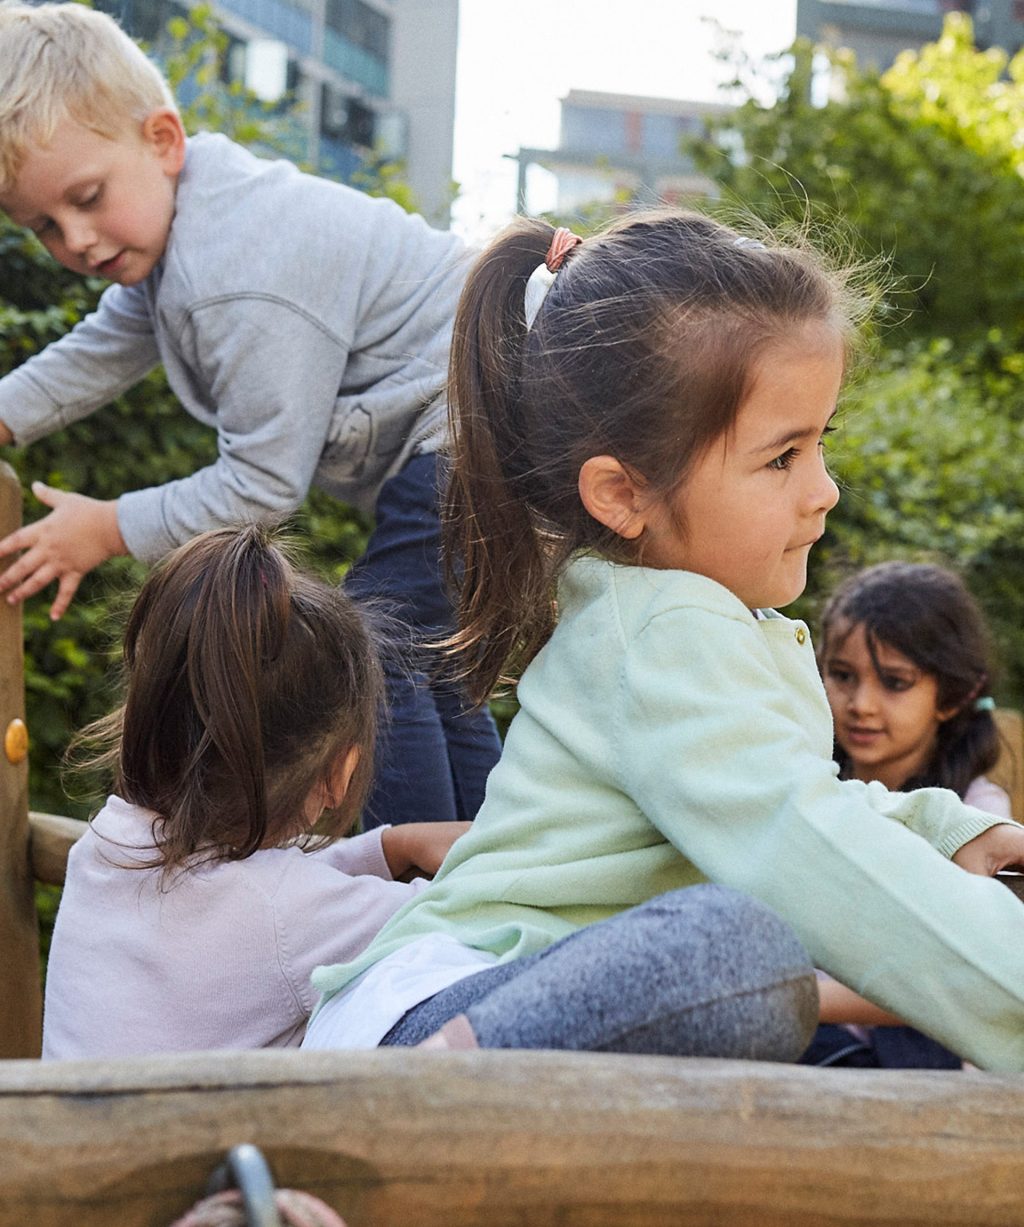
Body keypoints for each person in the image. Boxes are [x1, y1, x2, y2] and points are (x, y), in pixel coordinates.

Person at [299, 213, 1024, 1070]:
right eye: (782, 456)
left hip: (509, 1015)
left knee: (753, 977)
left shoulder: (685, 622)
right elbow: (809, 843)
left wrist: (942, 831)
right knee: (734, 952)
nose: (824, 491)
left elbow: (799, 799)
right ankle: (409, 1101)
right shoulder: (660, 636)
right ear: (621, 493)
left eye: (819, 442)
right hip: (436, 1018)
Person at [0, 1, 500, 828]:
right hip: (491, 418)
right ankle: (484, 873)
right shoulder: (183, 227)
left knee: (375, 650)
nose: (78, 241)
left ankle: (407, 902)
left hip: (482, 417)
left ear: (162, 140)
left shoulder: (235, 267)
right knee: (428, 663)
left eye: (87, 198)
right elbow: (99, 349)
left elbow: (263, 483)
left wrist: (109, 526)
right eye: (44, 226)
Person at [42, 525, 469, 1059]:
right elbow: (466, 913)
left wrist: (387, 847)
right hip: (180, 1146)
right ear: (340, 773)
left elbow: (255, 888)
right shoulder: (286, 916)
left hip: (56, 1137)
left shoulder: (106, 844)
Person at [804, 560, 1013, 1068]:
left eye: (894, 683)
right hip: (801, 1033)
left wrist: (798, 998)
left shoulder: (977, 817)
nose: (861, 705)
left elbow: (957, 979)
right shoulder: (804, 782)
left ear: (954, 695)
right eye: (842, 675)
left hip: (906, 1050)